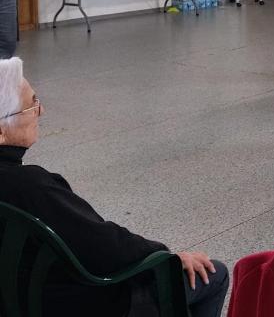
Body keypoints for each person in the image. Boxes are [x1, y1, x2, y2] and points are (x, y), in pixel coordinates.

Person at [0, 57, 229, 316]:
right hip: (73, 304)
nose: (41, 111)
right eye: (31, 105)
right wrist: (168, 258)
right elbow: (105, 247)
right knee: (213, 274)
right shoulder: (30, 186)